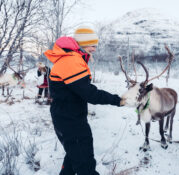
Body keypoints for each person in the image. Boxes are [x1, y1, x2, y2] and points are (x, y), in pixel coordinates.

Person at [44, 26, 125, 175]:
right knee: (85, 165)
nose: (94, 49)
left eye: (95, 46)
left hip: (67, 116)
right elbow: (90, 94)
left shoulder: (70, 59)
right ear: (81, 44)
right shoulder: (71, 61)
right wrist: (118, 100)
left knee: (74, 155)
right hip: (70, 120)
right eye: (92, 45)